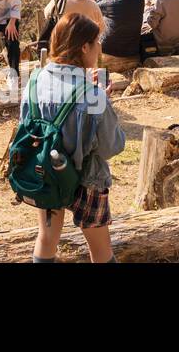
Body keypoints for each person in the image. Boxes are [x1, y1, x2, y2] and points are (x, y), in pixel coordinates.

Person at [25, 14, 126, 263]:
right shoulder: (93, 96)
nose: (100, 47)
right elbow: (111, 146)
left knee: (46, 239)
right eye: (97, 41)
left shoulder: (34, 81)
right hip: (88, 177)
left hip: (47, 171)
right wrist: (102, 99)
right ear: (84, 47)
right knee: (101, 251)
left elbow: (26, 128)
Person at [97, 0, 144, 73]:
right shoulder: (140, 0)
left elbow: (97, 7)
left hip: (108, 52)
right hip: (132, 52)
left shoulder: (109, 3)